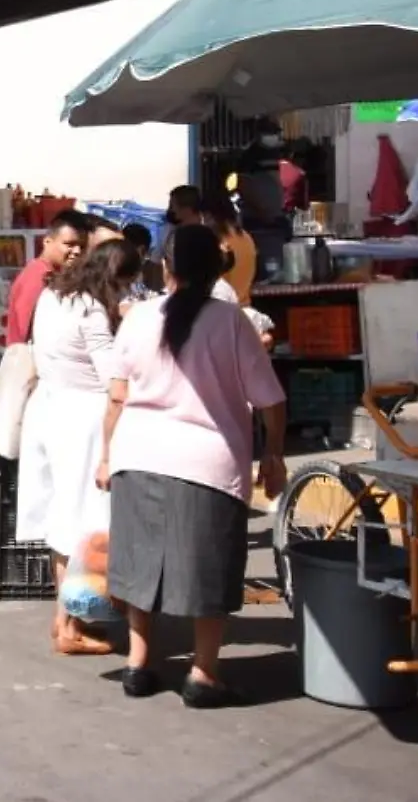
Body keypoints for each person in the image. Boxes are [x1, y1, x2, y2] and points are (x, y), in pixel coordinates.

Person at [96, 224, 288, 706]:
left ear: (167, 268)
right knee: (210, 568)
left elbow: (117, 396)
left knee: (141, 561)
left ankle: (138, 664)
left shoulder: (138, 317)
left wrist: (106, 454)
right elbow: (269, 399)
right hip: (207, 463)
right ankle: (203, 673)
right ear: (215, 269)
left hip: (137, 455)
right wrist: (274, 454)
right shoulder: (231, 321)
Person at [21, 238, 141, 657]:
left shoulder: (54, 295)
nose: (126, 292)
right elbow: (115, 384)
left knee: (62, 519)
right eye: (126, 283)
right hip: (84, 419)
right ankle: (70, 622)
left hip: (48, 409)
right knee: (82, 520)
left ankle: (64, 619)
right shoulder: (91, 309)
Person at [6, 211, 87, 346]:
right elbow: (24, 331)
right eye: (69, 244)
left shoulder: (53, 273)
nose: (77, 251)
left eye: (81, 246)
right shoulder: (38, 276)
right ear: (47, 242)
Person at [234, 118, 293, 280]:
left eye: (276, 133)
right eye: (271, 133)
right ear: (259, 134)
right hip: (257, 219)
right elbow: (244, 186)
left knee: (275, 259)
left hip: (273, 216)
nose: (274, 137)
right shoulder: (250, 156)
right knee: (261, 260)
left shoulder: (275, 154)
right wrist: (261, 211)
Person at [201, 196, 256, 308]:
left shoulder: (218, 242)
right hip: (244, 307)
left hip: (223, 310)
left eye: (203, 217)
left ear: (210, 216)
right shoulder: (246, 237)